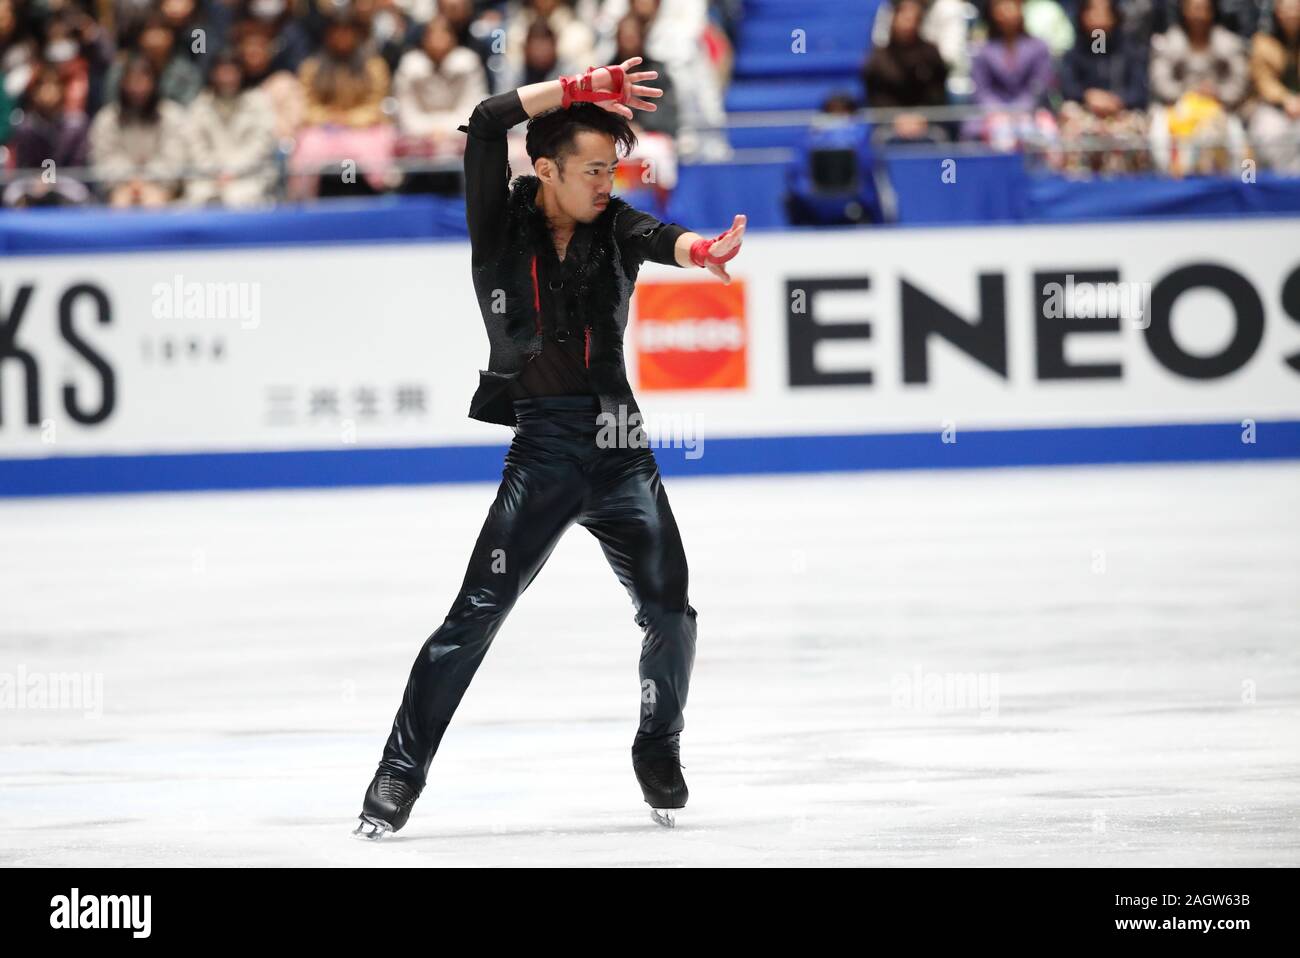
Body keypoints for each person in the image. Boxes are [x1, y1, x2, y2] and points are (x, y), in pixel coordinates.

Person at [354, 56, 746, 838]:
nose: (607, 183)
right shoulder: (498, 225)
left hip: (621, 449)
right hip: (543, 454)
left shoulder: (616, 226)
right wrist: (574, 90)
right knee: (474, 615)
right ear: (546, 170)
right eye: (593, 170)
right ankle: (399, 771)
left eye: (613, 170)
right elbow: (486, 121)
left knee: (671, 613)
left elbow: (663, 237)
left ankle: (657, 745)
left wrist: (702, 252)